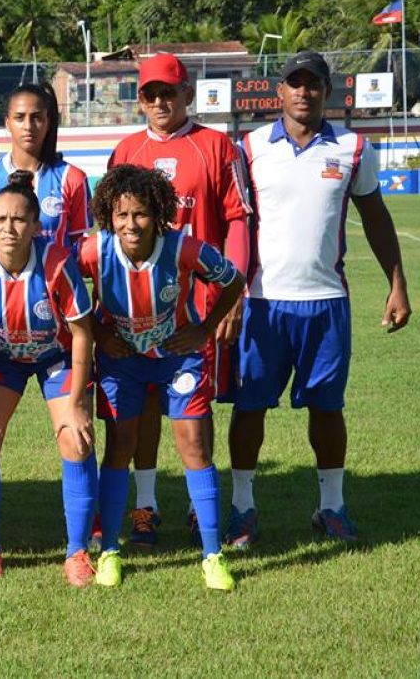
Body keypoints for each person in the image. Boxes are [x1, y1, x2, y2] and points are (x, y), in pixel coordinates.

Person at [228, 51, 411, 545]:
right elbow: (234, 224)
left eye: (313, 84)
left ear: (326, 92)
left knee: (327, 409)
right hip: (263, 303)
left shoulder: (353, 148)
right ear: (279, 91)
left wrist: (397, 283)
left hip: (327, 302)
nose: (304, 92)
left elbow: (375, 218)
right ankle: (242, 510)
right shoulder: (249, 148)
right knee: (250, 407)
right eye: (295, 83)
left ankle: (332, 508)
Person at [101, 53, 249, 547]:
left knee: (193, 413)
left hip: (195, 309)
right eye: (150, 94)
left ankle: (195, 507)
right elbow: (108, 237)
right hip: (132, 314)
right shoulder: (125, 150)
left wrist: (232, 299)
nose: (160, 101)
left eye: (169, 91)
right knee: (137, 410)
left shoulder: (217, 147)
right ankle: (146, 505)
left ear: (187, 92)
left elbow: (236, 221)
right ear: (140, 100)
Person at [78, 164, 244, 591]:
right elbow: (63, 287)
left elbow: (234, 279)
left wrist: (205, 329)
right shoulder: (94, 252)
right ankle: (111, 552)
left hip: (177, 358)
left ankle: (212, 556)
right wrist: (99, 332)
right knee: (119, 446)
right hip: (123, 361)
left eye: (141, 214)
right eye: (121, 215)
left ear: (158, 215)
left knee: (192, 443)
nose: (131, 224)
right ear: (108, 217)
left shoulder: (185, 249)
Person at [0, 170, 96, 582]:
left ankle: (77, 552)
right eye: (0, 220)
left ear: (35, 225)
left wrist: (79, 401)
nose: (9, 229)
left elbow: (83, 333)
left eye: (19, 220)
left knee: (75, 436)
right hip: (2, 359)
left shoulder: (57, 264)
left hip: (56, 356)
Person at [0, 83, 92, 249]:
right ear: (7, 122)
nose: (28, 126)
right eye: (19, 117)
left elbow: (77, 248)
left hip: (55, 275)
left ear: (48, 122)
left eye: (37, 118)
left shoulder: (73, 178)